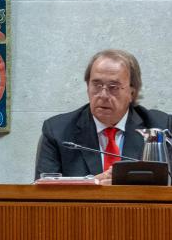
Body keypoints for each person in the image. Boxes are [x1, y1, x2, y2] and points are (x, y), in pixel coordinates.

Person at [36, 49, 172, 180]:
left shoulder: (161, 126)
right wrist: (91, 186)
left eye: (113, 87)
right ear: (87, 87)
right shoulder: (57, 131)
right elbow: (42, 194)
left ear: (132, 92)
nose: (103, 95)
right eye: (97, 85)